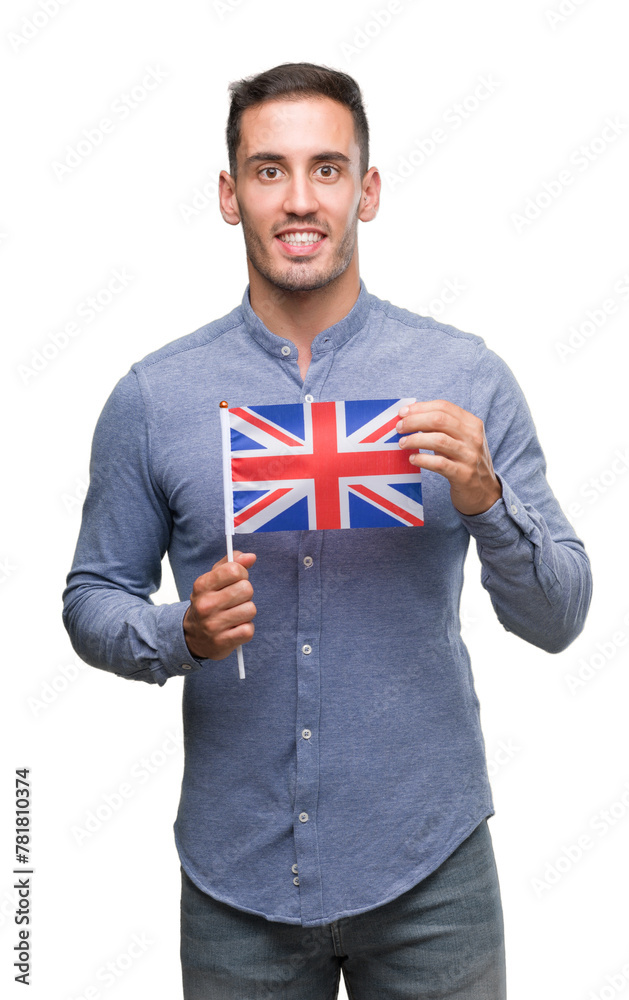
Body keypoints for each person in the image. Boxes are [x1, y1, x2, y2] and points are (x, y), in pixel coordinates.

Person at [62, 62, 593, 999]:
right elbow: (91, 598)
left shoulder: (463, 376)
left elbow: (558, 617)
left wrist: (485, 497)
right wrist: (176, 630)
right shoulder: (156, 398)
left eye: (326, 168)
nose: (299, 199)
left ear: (367, 190)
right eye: (268, 171)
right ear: (230, 196)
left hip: (431, 866)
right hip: (237, 881)